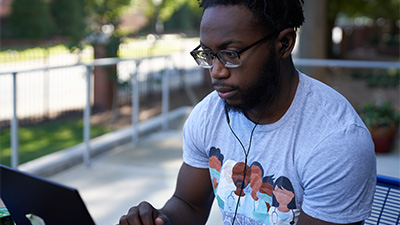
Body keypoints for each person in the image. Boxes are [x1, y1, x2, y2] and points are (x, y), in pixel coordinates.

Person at [119, 0, 376, 224]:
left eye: (230, 54)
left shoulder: (337, 142)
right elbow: (189, 204)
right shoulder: (208, 116)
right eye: (208, 54)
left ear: (284, 44)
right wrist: (161, 220)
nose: (216, 71)